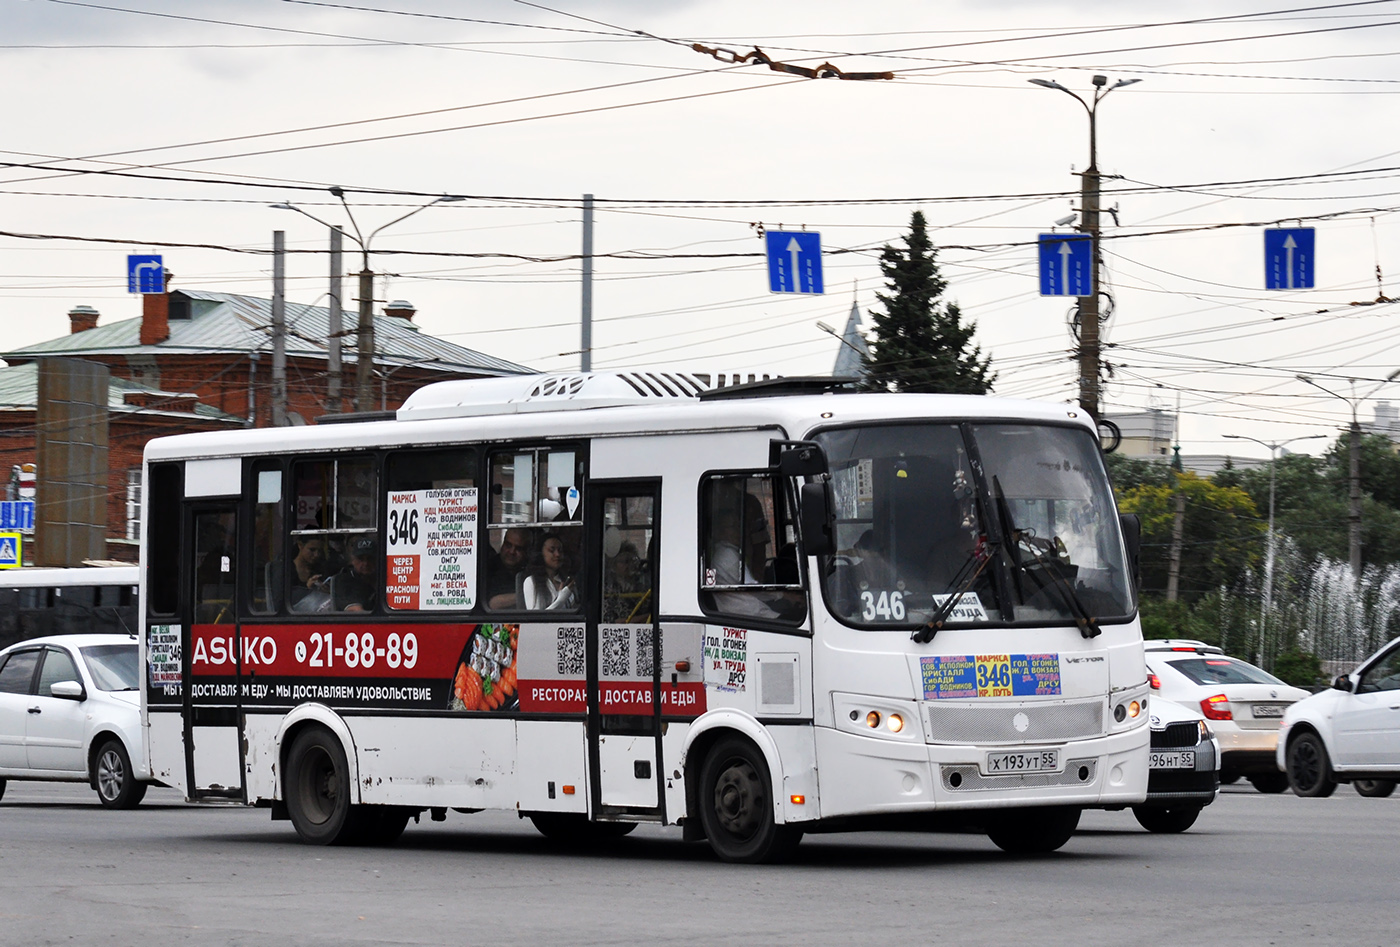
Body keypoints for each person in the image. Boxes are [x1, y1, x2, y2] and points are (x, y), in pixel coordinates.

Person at [522, 532, 577, 611]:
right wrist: (561, 599)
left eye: (560, 551)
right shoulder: (531, 581)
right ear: (541, 553)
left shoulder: (566, 581)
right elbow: (536, 617)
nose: (557, 554)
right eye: (552, 550)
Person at [603, 541, 649, 623]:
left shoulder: (641, 585)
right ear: (613, 564)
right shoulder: (607, 589)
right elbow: (614, 623)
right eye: (625, 561)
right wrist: (647, 616)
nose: (630, 565)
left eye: (633, 560)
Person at [485, 528, 531, 609]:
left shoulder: (531, 569)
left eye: (518, 548)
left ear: (527, 551)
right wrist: (527, 595)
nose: (512, 552)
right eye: (508, 545)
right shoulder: (488, 568)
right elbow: (492, 604)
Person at [331, 535, 377, 612]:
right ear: (352, 560)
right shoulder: (343, 581)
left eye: (370, 559)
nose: (365, 563)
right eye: (360, 559)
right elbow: (355, 610)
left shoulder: (384, 579)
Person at [287, 537, 331, 613]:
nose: (316, 555)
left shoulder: (320, 568)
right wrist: (306, 589)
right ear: (300, 545)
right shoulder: (287, 569)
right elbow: (284, 599)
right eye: (312, 550)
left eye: (319, 551)